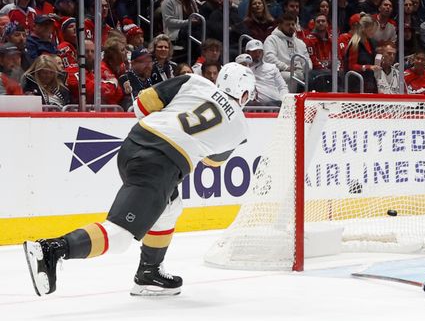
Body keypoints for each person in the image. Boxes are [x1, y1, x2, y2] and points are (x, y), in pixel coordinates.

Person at [24, 63, 254, 296]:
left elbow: (143, 104)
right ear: (244, 94)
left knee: (170, 208)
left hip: (135, 142)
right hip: (159, 164)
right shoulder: (241, 128)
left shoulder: (194, 82)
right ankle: (52, 249)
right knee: (120, 235)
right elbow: (213, 162)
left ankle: (149, 273)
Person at [245, 39, 287, 106]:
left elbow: (282, 87)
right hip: (254, 105)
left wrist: (283, 101)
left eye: (259, 52)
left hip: (274, 103)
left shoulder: (272, 67)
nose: (257, 55)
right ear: (247, 53)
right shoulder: (243, 70)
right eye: (254, 52)